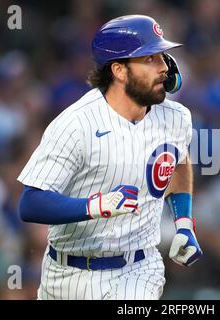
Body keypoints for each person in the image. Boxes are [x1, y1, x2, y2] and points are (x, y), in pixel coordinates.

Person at [17, 14, 202, 300]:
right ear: (119, 70)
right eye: (150, 59)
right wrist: (96, 205)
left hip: (139, 269)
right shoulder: (76, 124)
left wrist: (184, 224)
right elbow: (30, 203)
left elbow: (178, 162)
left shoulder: (176, 117)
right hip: (68, 274)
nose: (164, 67)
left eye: (162, 57)